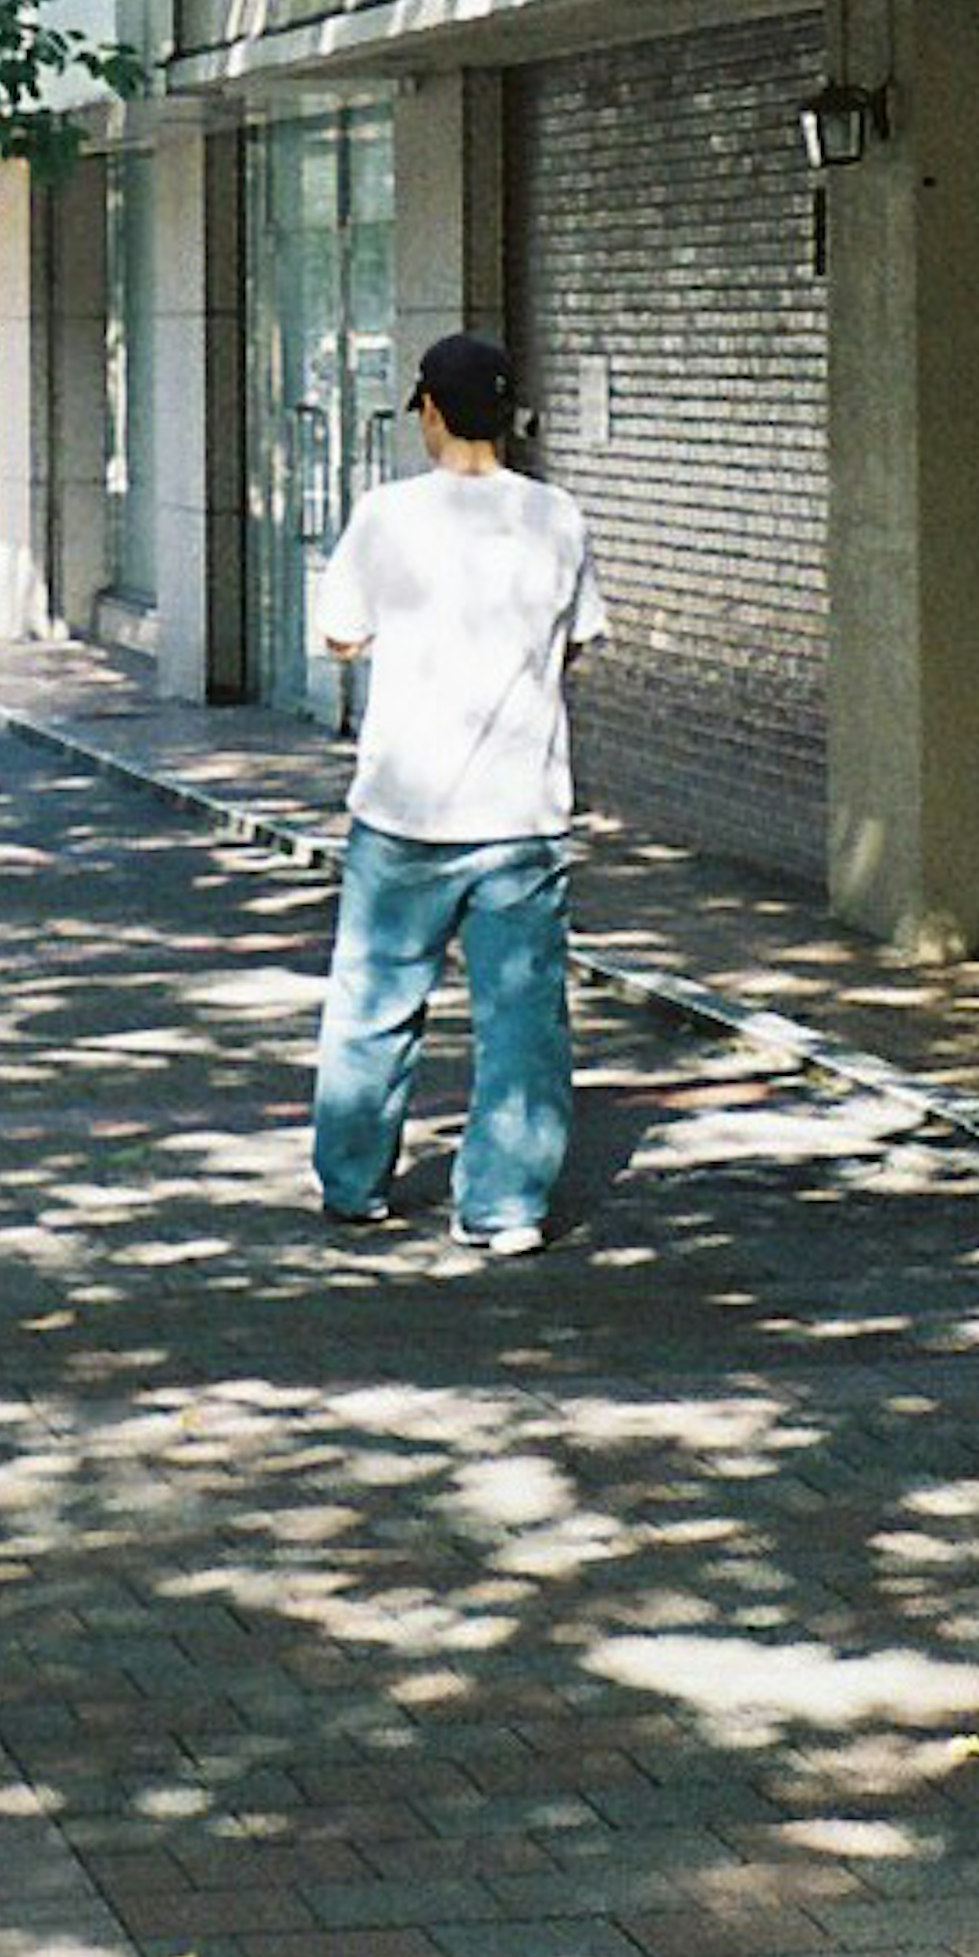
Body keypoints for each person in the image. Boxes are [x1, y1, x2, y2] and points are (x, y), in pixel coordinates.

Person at [308, 331, 604, 1260]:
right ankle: (505, 1207)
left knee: (373, 1006)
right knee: (521, 1023)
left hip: (403, 809)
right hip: (519, 815)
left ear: (430, 411)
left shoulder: (386, 516)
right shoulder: (558, 517)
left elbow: (341, 638)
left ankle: (355, 1186)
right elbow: (579, 643)